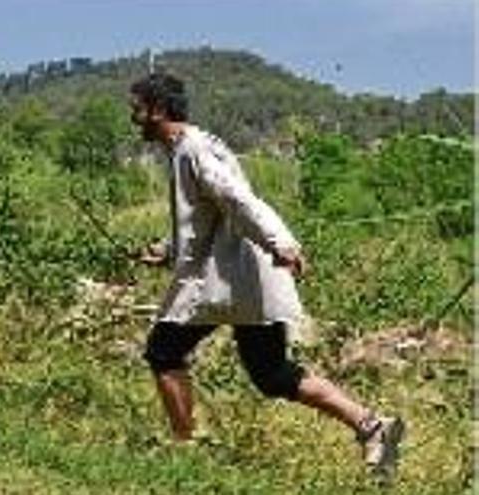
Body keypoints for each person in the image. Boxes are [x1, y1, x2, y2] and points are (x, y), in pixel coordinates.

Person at [128, 73, 404, 478]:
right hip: (237, 278)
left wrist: (280, 242)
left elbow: (238, 200)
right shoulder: (186, 150)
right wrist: (168, 252)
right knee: (272, 374)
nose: (133, 118)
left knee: (163, 352)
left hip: (234, 278)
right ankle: (372, 425)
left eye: (136, 108)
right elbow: (205, 221)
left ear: (157, 108)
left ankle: (184, 450)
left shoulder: (194, 149)